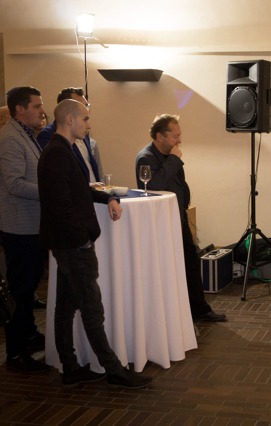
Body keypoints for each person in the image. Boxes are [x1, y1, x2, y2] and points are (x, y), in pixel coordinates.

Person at [38, 99, 152, 388]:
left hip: (70, 244)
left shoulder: (66, 150)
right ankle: (113, 369)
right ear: (69, 119)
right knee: (92, 308)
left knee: (66, 306)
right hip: (73, 245)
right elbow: (60, 205)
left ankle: (71, 368)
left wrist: (108, 197)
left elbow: (81, 190)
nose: (88, 124)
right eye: (85, 119)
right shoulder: (56, 154)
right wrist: (82, 239)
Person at [135, 114, 227, 323]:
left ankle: (198, 310)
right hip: (160, 223)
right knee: (173, 267)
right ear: (160, 136)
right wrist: (175, 160)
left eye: (179, 135)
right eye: (175, 136)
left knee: (191, 262)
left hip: (178, 217)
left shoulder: (169, 154)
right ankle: (176, 312)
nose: (179, 140)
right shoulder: (146, 157)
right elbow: (152, 185)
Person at [0, 86, 49, 373]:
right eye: (37, 105)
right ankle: (16, 354)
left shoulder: (25, 135)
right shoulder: (9, 139)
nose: (42, 110)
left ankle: (29, 336)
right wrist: (51, 189)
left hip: (32, 225)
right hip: (19, 227)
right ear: (20, 109)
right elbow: (15, 185)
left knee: (29, 287)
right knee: (20, 291)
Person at [37, 87, 103, 183]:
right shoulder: (49, 139)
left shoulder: (81, 131)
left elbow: (90, 167)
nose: (89, 126)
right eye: (79, 105)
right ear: (69, 117)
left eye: (86, 105)